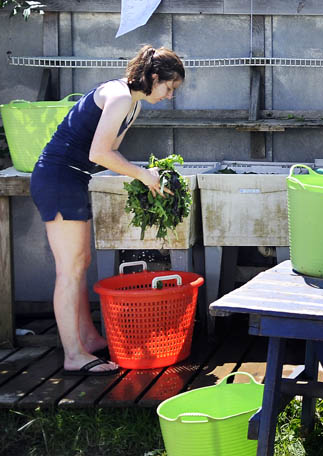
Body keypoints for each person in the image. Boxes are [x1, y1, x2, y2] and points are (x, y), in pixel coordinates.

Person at [29, 44, 184, 375]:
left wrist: (144, 173)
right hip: (57, 179)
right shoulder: (118, 97)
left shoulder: (132, 106)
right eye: (169, 87)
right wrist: (143, 175)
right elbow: (100, 153)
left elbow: (109, 149)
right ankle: (73, 355)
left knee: (81, 263)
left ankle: (87, 337)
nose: (169, 96)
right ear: (154, 77)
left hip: (73, 179)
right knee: (68, 270)